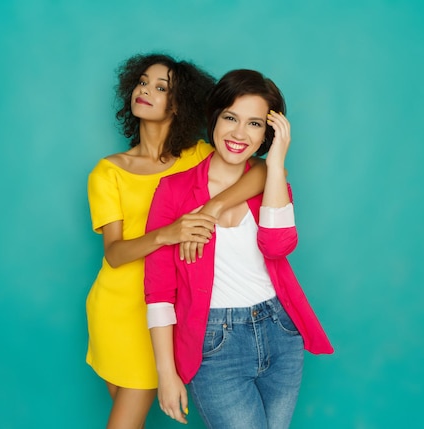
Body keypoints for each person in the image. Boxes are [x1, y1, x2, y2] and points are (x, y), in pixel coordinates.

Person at [145, 69, 334, 429]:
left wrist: (276, 163)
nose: (239, 133)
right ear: (214, 117)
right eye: (231, 118)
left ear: (268, 133)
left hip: (280, 331)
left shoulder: (269, 179)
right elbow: (158, 292)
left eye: (254, 124)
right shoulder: (173, 191)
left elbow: (278, 246)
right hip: (215, 344)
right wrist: (166, 373)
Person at [86, 55, 267, 429]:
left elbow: (260, 171)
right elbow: (115, 255)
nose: (144, 91)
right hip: (121, 309)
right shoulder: (108, 172)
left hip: (173, 306)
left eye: (160, 87)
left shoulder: (199, 156)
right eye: (141, 82)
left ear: (179, 102)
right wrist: (168, 233)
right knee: (127, 417)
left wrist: (213, 208)